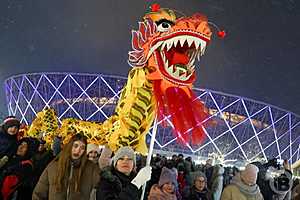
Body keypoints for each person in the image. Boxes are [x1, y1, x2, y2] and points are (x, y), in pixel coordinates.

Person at [32, 133, 100, 200]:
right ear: (70, 146)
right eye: (75, 146)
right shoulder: (54, 166)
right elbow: (39, 193)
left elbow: (102, 186)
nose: (78, 150)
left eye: (82, 148)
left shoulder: (91, 168)